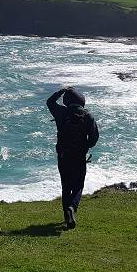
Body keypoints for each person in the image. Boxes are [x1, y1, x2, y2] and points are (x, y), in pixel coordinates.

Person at [46, 86, 99, 230]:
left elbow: (49, 102)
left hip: (63, 155)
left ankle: (67, 217)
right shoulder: (88, 115)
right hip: (79, 156)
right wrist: (86, 146)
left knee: (66, 186)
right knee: (78, 185)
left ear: (66, 100)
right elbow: (94, 137)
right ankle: (72, 208)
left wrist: (60, 91)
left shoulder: (61, 112)